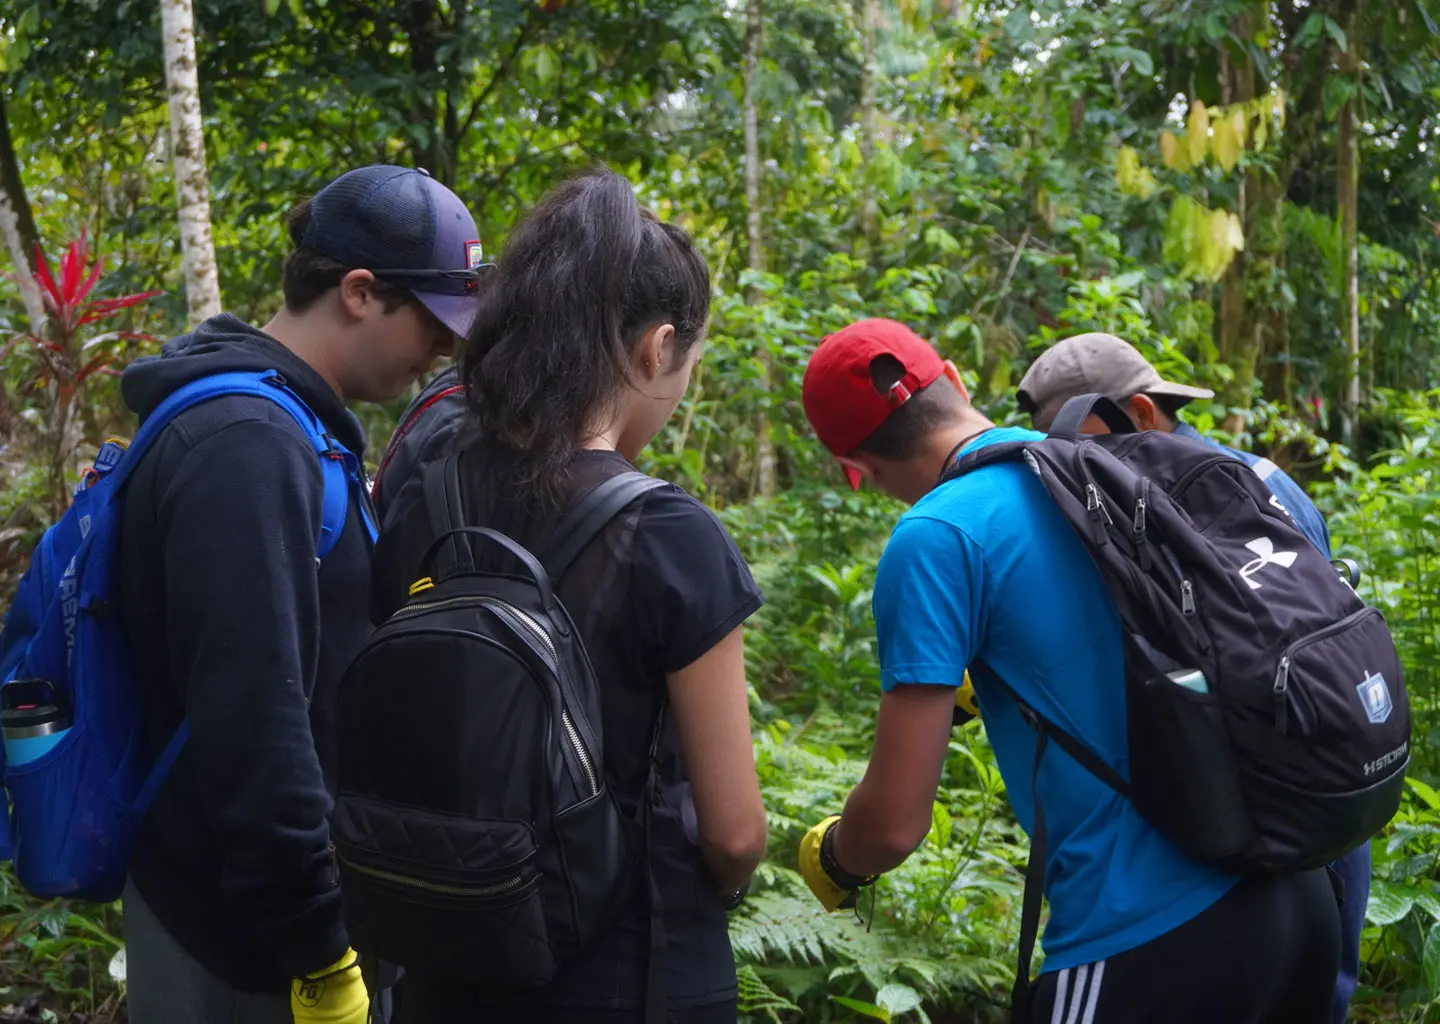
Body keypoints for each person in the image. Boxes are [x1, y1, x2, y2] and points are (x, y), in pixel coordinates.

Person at [795, 317, 1340, 1023]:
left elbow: (895, 825)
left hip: (1149, 937)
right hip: (1296, 895)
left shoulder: (938, 535)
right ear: (955, 379)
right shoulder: (1124, 462)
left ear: (857, 470)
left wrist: (837, 856)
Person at [371, 167, 768, 1023]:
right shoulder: (669, 536)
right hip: (632, 973)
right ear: (658, 347)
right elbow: (735, 833)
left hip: (443, 959)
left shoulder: (425, 497)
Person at [117, 164, 483, 1024]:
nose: (440, 349)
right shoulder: (248, 445)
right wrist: (319, 947)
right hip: (242, 940)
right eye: (433, 321)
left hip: (259, 917)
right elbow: (256, 717)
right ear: (360, 292)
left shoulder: (291, 428)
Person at [1016, 331, 1363, 1024]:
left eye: (1072, 435)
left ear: (1141, 413)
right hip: (1335, 798)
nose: (1065, 455)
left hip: (1236, 834)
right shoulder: (1268, 479)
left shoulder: (1139, 507)